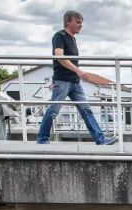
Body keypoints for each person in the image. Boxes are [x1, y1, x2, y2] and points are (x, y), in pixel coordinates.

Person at [36, 10, 117, 145]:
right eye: (78, 22)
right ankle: (42, 139)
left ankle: (101, 139)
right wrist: (77, 71)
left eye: (81, 23)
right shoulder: (59, 36)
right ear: (68, 21)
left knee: (86, 110)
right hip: (63, 82)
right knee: (53, 111)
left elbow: (63, 61)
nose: (81, 25)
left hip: (74, 82)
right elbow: (59, 56)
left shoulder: (72, 38)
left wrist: (74, 74)